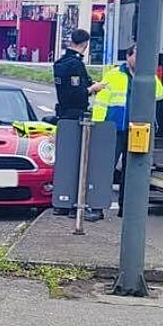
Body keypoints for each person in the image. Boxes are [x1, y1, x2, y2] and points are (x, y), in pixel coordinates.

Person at [92, 45, 163, 218]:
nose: (140, 61)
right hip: (114, 129)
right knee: (105, 169)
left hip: (137, 130)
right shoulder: (114, 75)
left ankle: (125, 208)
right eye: (137, 56)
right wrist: (99, 126)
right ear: (128, 57)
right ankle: (97, 207)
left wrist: (152, 78)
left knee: (131, 170)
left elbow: (161, 93)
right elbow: (100, 103)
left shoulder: (147, 76)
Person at [51, 29, 103, 217]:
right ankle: (74, 204)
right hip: (76, 116)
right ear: (85, 44)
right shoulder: (75, 65)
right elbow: (77, 93)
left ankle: (61, 202)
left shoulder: (59, 63)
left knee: (64, 160)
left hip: (63, 115)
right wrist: (93, 88)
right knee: (78, 160)